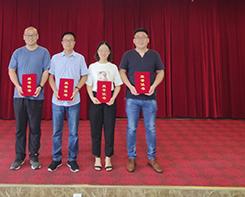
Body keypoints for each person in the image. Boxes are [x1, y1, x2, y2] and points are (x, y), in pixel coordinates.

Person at [119, 28, 165, 174]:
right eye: (137, 37)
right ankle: (131, 158)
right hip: (132, 98)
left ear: (148, 40)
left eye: (143, 37)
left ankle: (152, 158)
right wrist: (130, 86)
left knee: (151, 128)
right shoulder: (128, 55)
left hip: (150, 98)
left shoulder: (154, 55)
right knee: (131, 127)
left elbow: (161, 72)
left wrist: (154, 86)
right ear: (133, 40)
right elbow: (122, 72)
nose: (140, 39)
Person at [8, 26, 51, 171]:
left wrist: (40, 86)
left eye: (33, 35)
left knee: (35, 128)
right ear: (23, 37)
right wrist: (18, 86)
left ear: (37, 36)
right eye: (28, 35)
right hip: (19, 95)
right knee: (20, 128)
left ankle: (34, 155)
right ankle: (19, 156)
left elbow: (46, 70)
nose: (30, 37)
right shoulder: (18, 52)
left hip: (36, 96)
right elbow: (11, 70)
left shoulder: (44, 52)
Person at [48, 31, 88, 172]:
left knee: (73, 132)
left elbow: (84, 76)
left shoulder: (80, 58)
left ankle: (72, 159)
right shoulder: (55, 58)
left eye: (71, 40)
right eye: (66, 40)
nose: (68, 42)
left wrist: (76, 90)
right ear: (62, 42)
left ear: (75, 42)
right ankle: (56, 158)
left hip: (74, 101)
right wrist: (55, 91)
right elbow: (50, 76)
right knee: (56, 132)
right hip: (57, 101)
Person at [86, 41, 122, 172]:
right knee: (95, 129)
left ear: (109, 52)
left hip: (109, 100)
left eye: (106, 50)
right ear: (97, 52)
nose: (103, 52)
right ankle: (97, 157)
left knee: (109, 129)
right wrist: (92, 97)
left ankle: (108, 157)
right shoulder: (92, 67)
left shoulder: (113, 67)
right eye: (101, 50)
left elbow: (118, 85)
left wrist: (113, 98)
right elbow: (89, 84)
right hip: (95, 99)